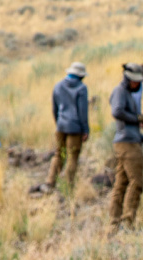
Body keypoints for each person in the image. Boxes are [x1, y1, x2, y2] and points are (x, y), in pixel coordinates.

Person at [108, 63, 143, 229]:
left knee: (121, 184)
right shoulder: (120, 92)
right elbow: (117, 112)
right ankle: (127, 221)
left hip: (128, 141)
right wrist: (137, 118)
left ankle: (114, 222)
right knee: (136, 182)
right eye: (136, 81)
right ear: (128, 79)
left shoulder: (128, 94)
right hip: (128, 145)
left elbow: (130, 127)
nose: (138, 84)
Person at [44, 62, 90, 190]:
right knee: (72, 157)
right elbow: (83, 111)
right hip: (75, 129)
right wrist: (85, 129)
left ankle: (50, 182)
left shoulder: (58, 86)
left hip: (61, 126)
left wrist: (59, 123)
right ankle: (68, 186)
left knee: (59, 154)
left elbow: (55, 108)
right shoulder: (81, 88)